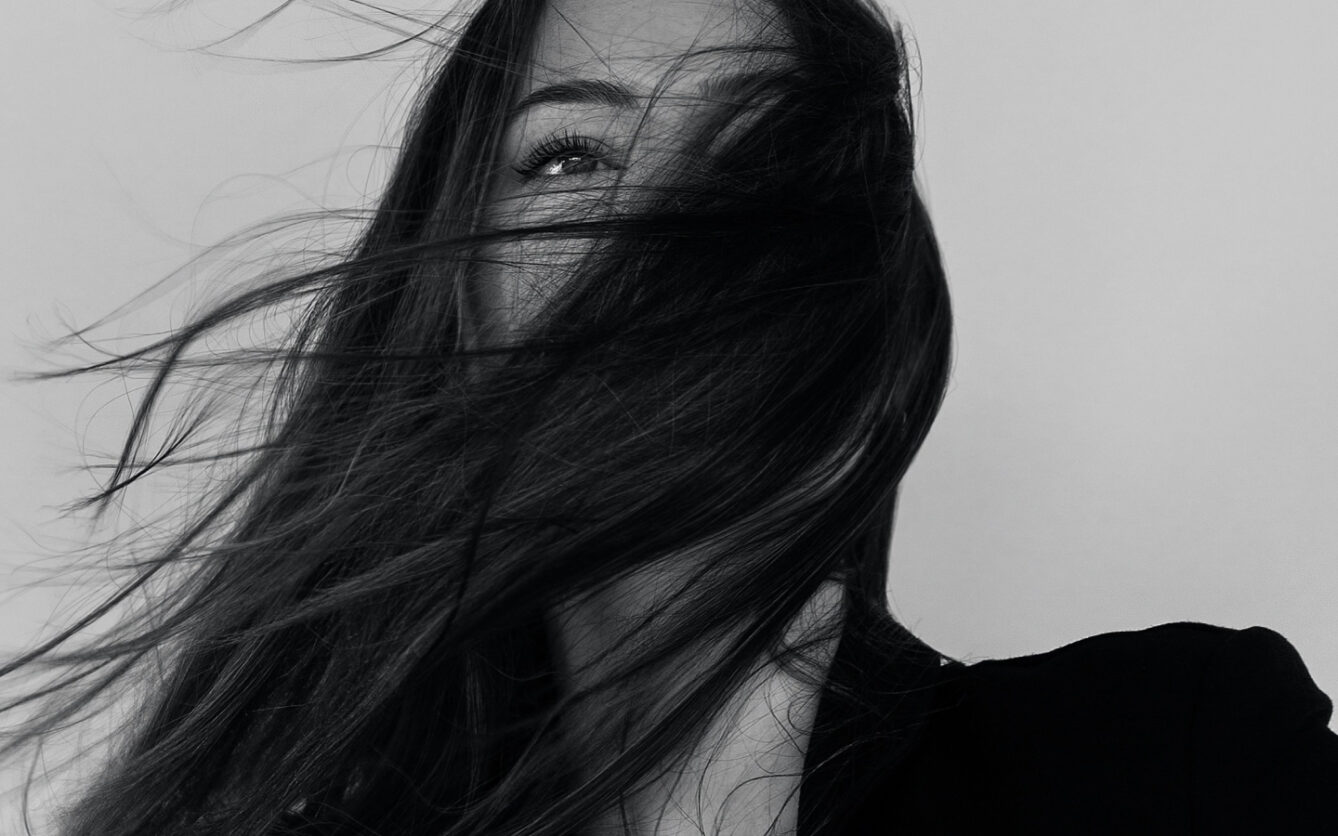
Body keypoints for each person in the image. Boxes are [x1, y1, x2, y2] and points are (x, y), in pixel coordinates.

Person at [1, 0, 1334, 834]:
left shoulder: (1176, 758)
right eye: (569, 157)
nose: (660, 225)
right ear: (454, 298)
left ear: (861, 308)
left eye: (750, 153)